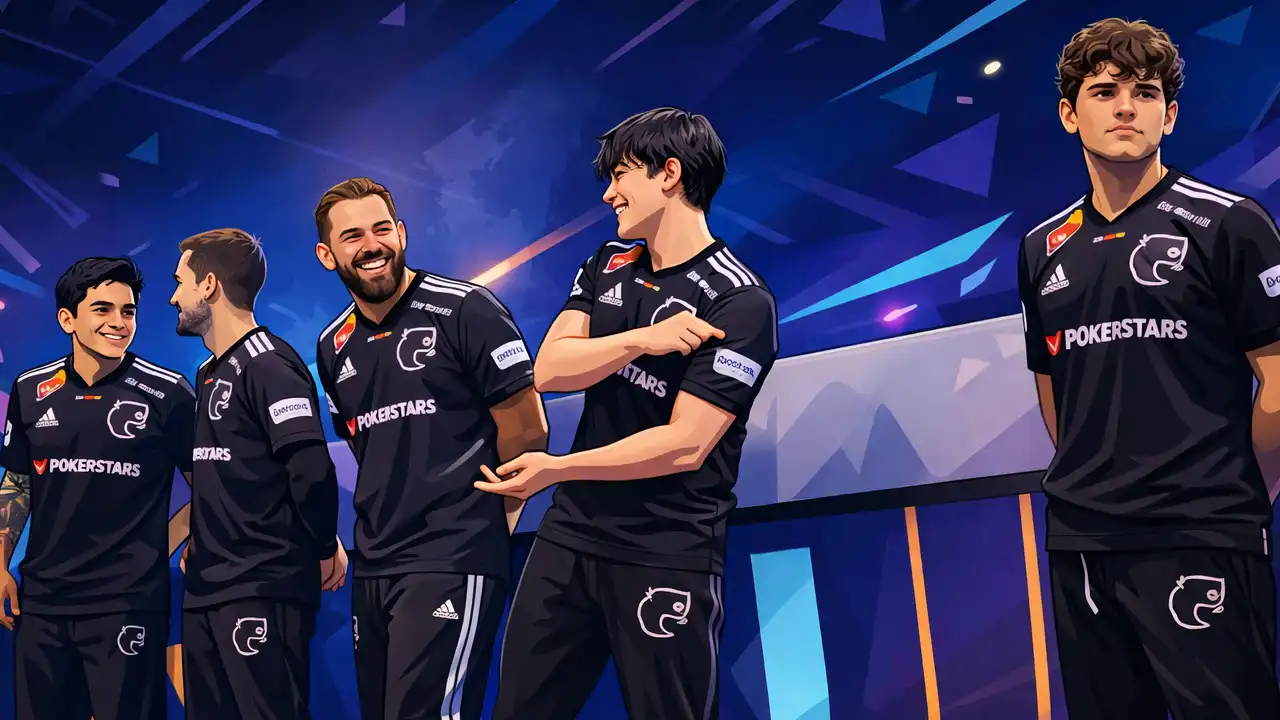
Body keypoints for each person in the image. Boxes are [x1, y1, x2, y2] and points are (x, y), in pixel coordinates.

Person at [1017, 18, 1280, 719]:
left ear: (1170, 114)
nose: (1126, 107)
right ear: (1070, 113)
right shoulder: (1042, 247)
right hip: (1082, 542)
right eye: (1105, 92)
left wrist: (1237, 491)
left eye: (1146, 92)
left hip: (1201, 534)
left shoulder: (1231, 224)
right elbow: (1055, 392)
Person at [481, 107, 779, 720]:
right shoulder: (608, 262)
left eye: (621, 175)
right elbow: (551, 369)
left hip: (667, 550)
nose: (608, 194)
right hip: (570, 536)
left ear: (669, 174)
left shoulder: (740, 300)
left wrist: (557, 469)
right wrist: (641, 340)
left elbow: (686, 444)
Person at [311, 177, 549, 719]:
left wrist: (485, 524)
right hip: (375, 566)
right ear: (328, 256)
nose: (371, 245)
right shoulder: (331, 346)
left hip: (454, 556)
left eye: (381, 229)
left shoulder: (466, 309)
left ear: (402, 233)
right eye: (352, 236)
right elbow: (366, 445)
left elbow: (527, 431)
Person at [0, 257, 195, 720]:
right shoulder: (30, 389)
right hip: (43, 604)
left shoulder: (169, 393)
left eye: (128, 311)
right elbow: (16, 484)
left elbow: (210, 488)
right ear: (67, 319)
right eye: (102, 309)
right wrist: (0, 564)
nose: (118, 323)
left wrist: (157, 551)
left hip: (128, 606)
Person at [170, 228, 345, 720]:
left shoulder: (269, 362)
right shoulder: (208, 373)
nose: (173, 297)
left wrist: (322, 545)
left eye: (180, 282)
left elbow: (309, 467)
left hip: (262, 586)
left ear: (209, 285)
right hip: (207, 589)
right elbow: (227, 474)